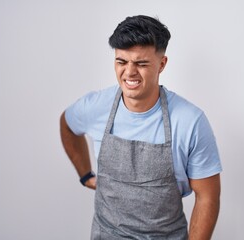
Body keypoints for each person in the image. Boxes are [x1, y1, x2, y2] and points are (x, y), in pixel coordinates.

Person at [60, 15, 222, 240]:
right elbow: (67, 124)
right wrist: (86, 175)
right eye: (121, 62)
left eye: (141, 63)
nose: (129, 72)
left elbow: (207, 197)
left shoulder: (190, 121)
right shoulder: (97, 106)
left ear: (162, 64)